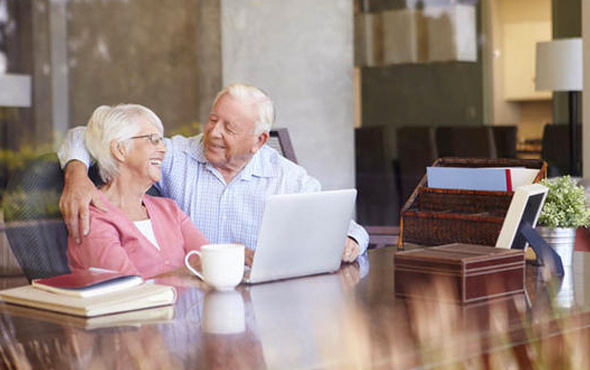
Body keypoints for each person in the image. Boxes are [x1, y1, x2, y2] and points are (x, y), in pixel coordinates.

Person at [58, 83, 368, 263]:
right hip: (191, 305)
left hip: (257, 306)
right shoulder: (175, 155)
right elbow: (91, 134)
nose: (213, 133)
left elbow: (347, 227)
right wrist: (76, 175)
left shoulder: (287, 178)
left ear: (260, 140)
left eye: (229, 128)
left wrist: (350, 239)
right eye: (212, 119)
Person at [66, 104, 208, 278]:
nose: (163, 149)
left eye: (162, 141)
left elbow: (209, 263)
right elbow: (129, 289)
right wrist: (189, 274)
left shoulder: (169, 210)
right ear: (120, 149)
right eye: (154, 140)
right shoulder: (92, 218)